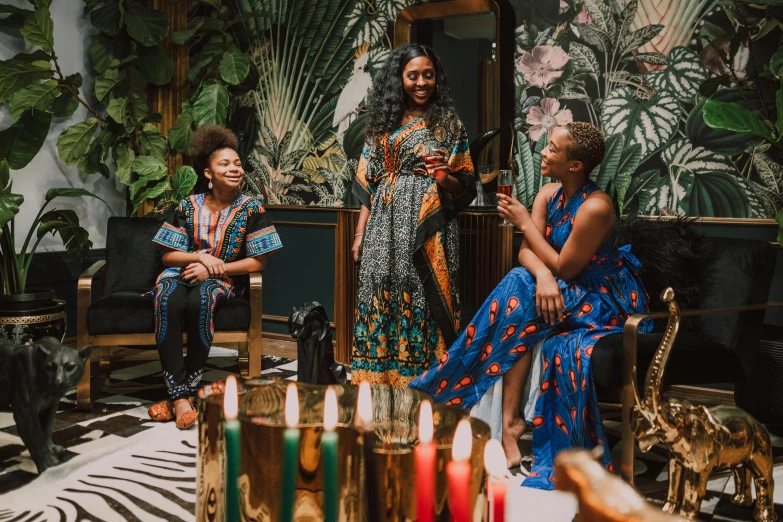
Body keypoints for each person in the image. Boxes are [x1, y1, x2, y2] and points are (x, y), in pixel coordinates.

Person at [409, 122, 651, 488]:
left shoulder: (596, 207)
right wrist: (543, 277)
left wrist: (524, 224)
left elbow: (568, 267)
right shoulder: (547, 194)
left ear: (575, 166)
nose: (543, 151)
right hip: (558, 285)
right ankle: (508, 426)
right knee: (522, 289)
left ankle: (444, 393)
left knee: (518, 293)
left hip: (602, 298)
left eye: (553, 148)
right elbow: (526, 252)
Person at [351, 43, 476, 386]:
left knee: (419, 292)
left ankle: (424, 378)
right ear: (399, 79)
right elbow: (368, 182)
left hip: (427, 225)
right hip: (382, 223)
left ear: (437, 78)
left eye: (428, 75)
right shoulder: (381, 124)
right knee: (382, 289)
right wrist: (360, 234)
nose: (422, 83)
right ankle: (378, 378)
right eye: (413, 76)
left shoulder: (448, 124)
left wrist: (441, 176)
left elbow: (463, 185)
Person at [146, 124, 283, 429]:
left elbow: (257, 262)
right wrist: (199, 257)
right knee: (166, 297)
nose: (234, 169)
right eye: (224, 164)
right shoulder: (187, 205)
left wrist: (212, 268)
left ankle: (180, 397)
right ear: (208, 173)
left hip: (224, 281)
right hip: (182, 271)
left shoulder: (251, 208)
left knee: (201, 300)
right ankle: (184, 396)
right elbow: (168, 255)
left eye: (237, 163)